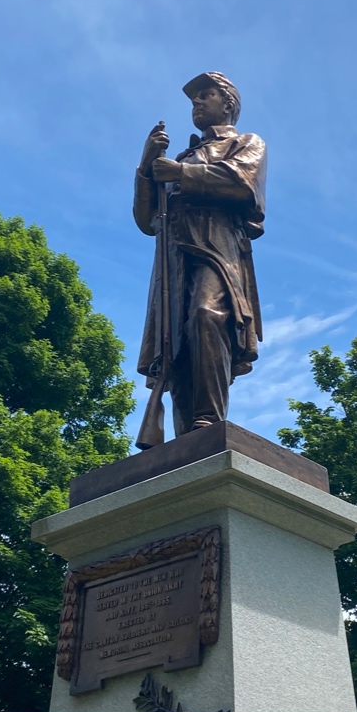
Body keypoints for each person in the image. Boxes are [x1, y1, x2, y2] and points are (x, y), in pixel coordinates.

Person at [134, 72, 267, 438]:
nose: (196, 102)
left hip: (216, 249)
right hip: (173, 260)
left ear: (227, 103)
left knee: (207, 316)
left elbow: (243, 185)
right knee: (174, 344)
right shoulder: (179, 157)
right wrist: (146, 169)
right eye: (194, 98)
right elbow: (147, 220)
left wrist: (182, 173)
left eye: (205, 95)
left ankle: (208, 419)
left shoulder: (246, 142)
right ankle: (184, 435)